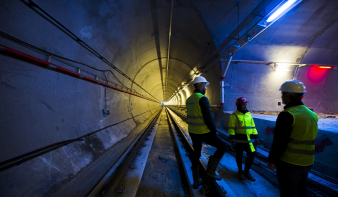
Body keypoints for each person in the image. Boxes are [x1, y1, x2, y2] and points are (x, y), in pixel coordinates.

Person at [267, 79, 318, 197]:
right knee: (302, 191)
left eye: (283, 94)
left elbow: (279, 141)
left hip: (290, 162)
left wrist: (272, 160)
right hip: (308, 162)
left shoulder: (288, 114)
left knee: (288, 193)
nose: (281, 96)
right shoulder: (312, 114)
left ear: (288, 95)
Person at [186, 76, 227, 189]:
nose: (206, 87)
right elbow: (208, 119)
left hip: (193, 131)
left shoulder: (189, 99)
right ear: (201, 85)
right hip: (204, 132)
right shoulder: (203, 98)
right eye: (205, 85)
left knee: (196, 153)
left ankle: (195, 181)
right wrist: (214, 131)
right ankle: (211, 171)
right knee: (222, 146)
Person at [228, 97, 259, 181]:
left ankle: (246, 171)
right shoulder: (234, 115)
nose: (245, 106)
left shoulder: (249, 114)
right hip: (239, 140)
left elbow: (253, 127)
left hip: (250, 140)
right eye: (243, 104)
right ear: (238, 105)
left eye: (246, 104)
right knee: (239, 156)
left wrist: (256, 138)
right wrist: (232, 140)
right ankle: (240, 172)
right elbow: (231, 128)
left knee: (251, 155)